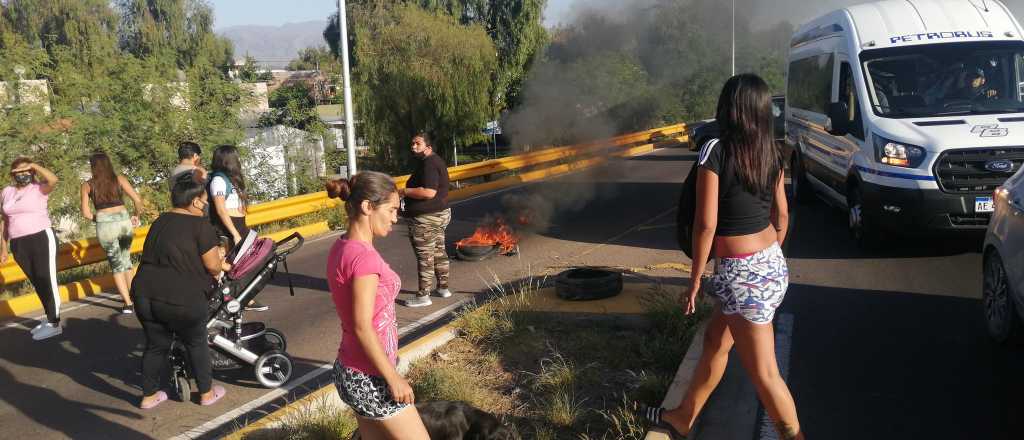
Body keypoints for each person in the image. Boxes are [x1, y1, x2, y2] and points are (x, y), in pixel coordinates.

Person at [643, 74, 803, 439]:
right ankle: (683, 416)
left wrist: (696, 278)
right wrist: (765, 263)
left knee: (765, 375)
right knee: (716, 340)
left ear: (728, 109)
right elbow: (781, 217)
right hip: (770, 263)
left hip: (741, 275)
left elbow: (705, 224)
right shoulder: (773, 153)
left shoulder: (714, 149)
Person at [325, 172, 430, 439]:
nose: (396, 217)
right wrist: (393, 377)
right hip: (371, 377)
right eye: (392, 210)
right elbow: (363, 327)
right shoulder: (364, 259)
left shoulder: (342, 247)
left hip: (350, 369)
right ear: (367, 207)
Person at [130, 172, 228, 409]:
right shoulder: (199, 225)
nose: (205, 205)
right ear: (195, 201)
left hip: (145, 294)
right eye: (204, 201)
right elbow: (213, 265)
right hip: (182, 298)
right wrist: (222, 264)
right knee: (196, 342)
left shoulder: (160, 221)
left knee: (155, 345)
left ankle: (149, 396)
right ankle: (205, 393)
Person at [0, 157, 62, 340]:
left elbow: (54, 180)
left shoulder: (39, 188)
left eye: (26, 171)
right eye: (18, 172)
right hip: (19, 243)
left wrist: (34, 165)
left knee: (46, 279)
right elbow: (5, 221)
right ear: (12, 174)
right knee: (37, 281)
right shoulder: (6, 192)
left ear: (32, 172)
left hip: (41, 237)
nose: (23, 174)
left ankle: (54, 322)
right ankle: (49, 317)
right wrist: (3, 248)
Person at [80, 152, 145, 314]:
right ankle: (135, 297)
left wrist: (101, 219)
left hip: (105, 226)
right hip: (124, 222)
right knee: (126, 260)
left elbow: (86, 213)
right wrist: (136, 216)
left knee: (117, 264)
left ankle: (128, 303)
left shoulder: (87, 185)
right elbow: (137, 200)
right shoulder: (120, 179)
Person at [208, 145, 266, 312]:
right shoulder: (218, 180)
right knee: (231, 265)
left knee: (244, 263)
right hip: (229, 227)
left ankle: (242, 296)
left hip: (240, 224)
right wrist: (234, 233)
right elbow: (220, 209)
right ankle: (236, 298)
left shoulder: (232, 178)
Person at [400, 133, 451, 308]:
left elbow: (429, 192)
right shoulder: (434, 161)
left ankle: (423, 296)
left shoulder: (429, 164)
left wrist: (405, 192)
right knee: (438, 252)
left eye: (417, 143)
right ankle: (443, 288)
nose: (413, 146)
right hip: (439, 214)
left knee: (425, 257)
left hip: (425, 219)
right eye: (412, 143)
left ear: (428, 147)